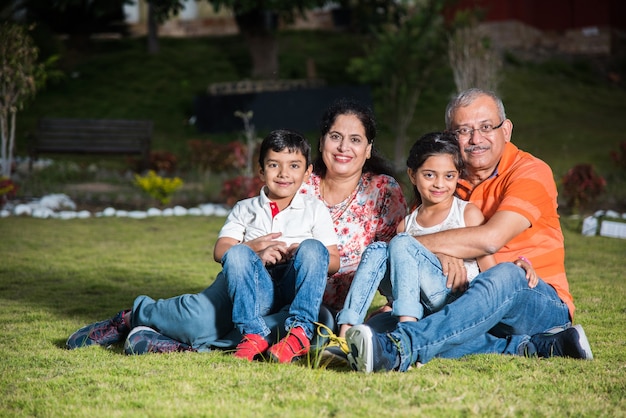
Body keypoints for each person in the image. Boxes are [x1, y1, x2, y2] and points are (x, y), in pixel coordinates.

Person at [65, 97, 407, 357]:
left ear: (368, 148)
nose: (344, 147)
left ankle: (168, 343)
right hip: (255, 278)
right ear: (321, 142)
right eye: (336, 136)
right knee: (203, 319)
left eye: (355, 140)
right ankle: (131, 317)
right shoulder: (296, 176)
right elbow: (245, 227)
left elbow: (390, 257)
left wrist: (393, 305)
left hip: (309, 305)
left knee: (318, 329)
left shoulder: (382, 192)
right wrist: (256, 249)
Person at [345, 88, 593, 373]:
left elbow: (489, 240)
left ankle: (402, 348)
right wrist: (433, 259)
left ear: (506, 130)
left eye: (486, 127)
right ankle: (540, 347)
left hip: (533, 297)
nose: (476, 139)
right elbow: (418, 243)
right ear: (451, 137)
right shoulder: (444, 178)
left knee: (505, 275)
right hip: (467, 303)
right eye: (464, 130)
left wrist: (430, 247)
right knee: (379, 325)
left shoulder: (530, 171)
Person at [320, 132, 535, 364]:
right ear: (413, 175)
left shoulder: (466, 213)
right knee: (378, 250)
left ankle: (408, 339)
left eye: (449, 176)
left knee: (400, 244)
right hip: (419, 307)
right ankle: (344, 335)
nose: (440, 184)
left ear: (457, 176)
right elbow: (405, 279)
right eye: (429, 175)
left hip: (454, 298)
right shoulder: (407, 224)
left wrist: (518, 267)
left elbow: (492, 274)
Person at [213, 129, 340, 363]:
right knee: (238, 252)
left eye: (294, 166)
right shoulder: (245, 208)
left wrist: (300, 251)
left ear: (307, 172)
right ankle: (253, 334)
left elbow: (333, 262)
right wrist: (256, 251)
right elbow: (221, 251)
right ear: (261, 170)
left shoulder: (315, 209)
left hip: (296, 289)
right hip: (259, 292)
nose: (283, 174)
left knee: (313, 247)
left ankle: (299, 333)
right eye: (274, 165)